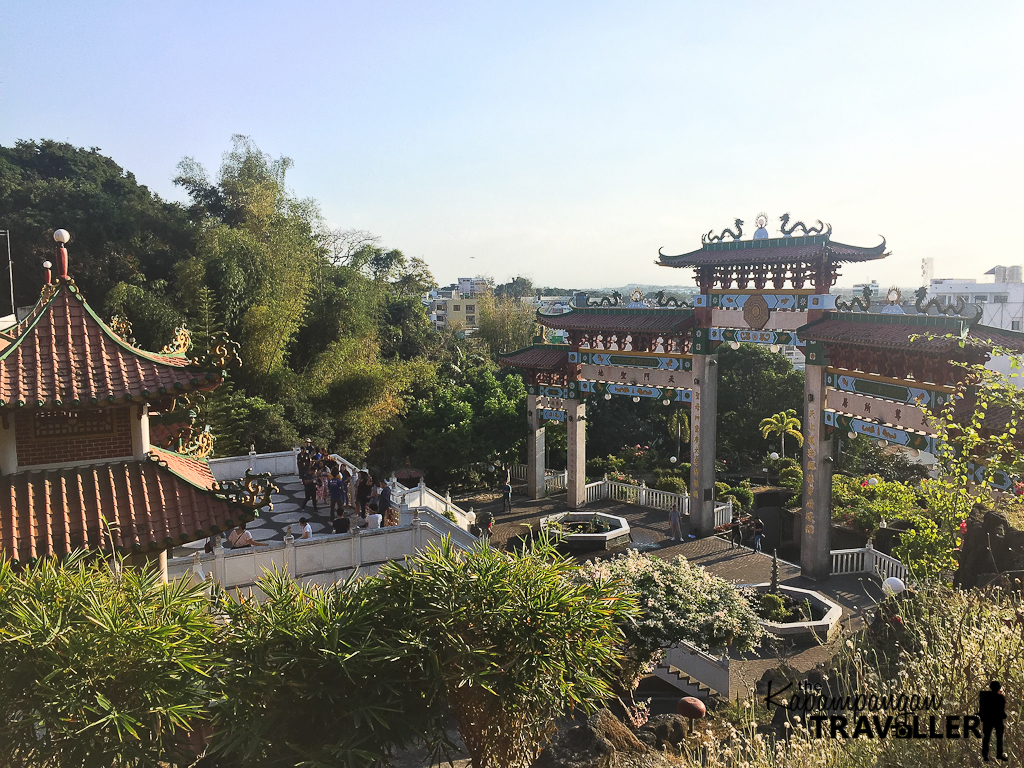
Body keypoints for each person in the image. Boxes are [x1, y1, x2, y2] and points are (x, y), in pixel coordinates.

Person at [979, 680, 1008, 762]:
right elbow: (1002, 711)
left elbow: (982, 708)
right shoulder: (1000, 698)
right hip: (997, 720)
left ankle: (985, 755)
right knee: (998, 738)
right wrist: (1003, 715)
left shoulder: (985, 697)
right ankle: (998, 755)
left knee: (987, 738)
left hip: (988, 720)